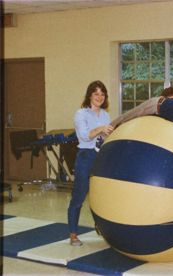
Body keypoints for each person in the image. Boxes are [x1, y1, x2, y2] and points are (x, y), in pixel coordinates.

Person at [68, 80, 114, 246]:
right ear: (89, 95)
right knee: (79, 197)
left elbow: (106, 136)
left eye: (102, 94)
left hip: (100, 157)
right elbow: (85, 135)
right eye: (96, 93)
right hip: (86, 157)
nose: (99, 97)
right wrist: (101, 129)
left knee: (102, 195)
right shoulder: (81, 114)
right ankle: (73, 234)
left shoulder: (105, 115)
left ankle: (102, 227)